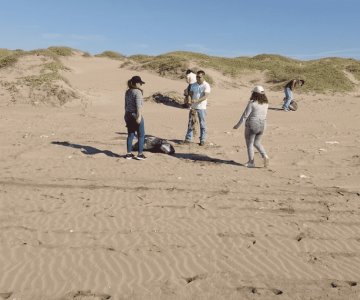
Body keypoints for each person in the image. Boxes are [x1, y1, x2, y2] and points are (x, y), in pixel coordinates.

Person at [233, 85, 269, 168]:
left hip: (253, 124)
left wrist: (237, 125)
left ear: (255, 93)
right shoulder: (266, 103)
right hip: (263, 124)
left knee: (250, 143)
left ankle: (251, 162)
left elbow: (245, 115)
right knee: (257, 142)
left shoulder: (252, 103)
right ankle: (265, 155)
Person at [184, 70, 211, 146]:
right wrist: (189, 100)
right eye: (197, 77)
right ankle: (188, 138)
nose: (198, 78)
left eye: (199, 77)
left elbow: (205, 96)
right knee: (191, 123)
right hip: (193, 107)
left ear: (203, 77)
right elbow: (190, 94)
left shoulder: (206, 85)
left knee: (202, 124)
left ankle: (202, 139)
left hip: (202, 108)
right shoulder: (193, 85)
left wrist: (197, 100)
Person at [124, 75, 146, 160]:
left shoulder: (128, 91)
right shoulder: (138, 92)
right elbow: (138, 106)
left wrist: (126, 116)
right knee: (141, 135)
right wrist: (139, 117)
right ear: (137, 83)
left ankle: (129, 154)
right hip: (135, 114)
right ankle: (140, 154)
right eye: (140, 83)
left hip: (128, 114)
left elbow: (125, 105)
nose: (141, 85)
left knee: (130, 135)